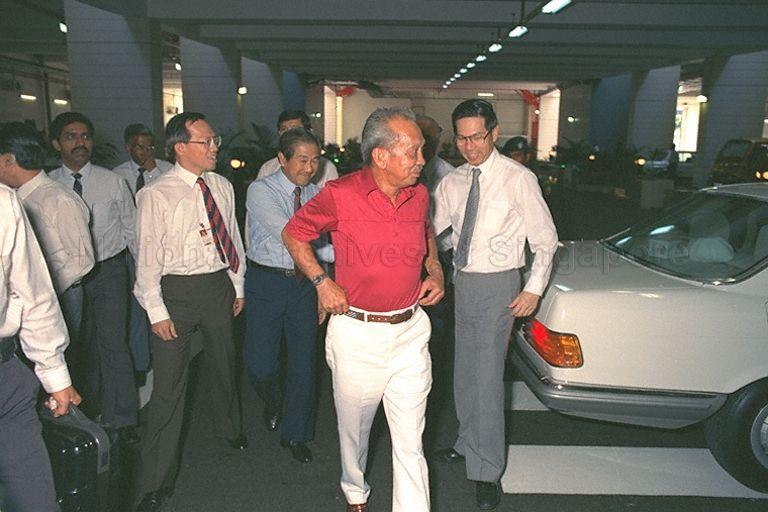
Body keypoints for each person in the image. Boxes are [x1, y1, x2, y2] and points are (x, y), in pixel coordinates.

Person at [283, 106, 445, 512]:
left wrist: (436, 269)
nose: (422, 161)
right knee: (355, 432)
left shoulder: (419, 193)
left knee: (411, 442)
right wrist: (322, 282)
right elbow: (294, 233)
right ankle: (355, 488)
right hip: (357, 334)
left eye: (422, 151)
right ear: (381, 156)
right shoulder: (341, 194)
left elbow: (426, 232)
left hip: (410, 332)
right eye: (413, 152)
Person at [433, 100, 558, 510]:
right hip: (464, 283)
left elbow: (545, 242)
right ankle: (468, 442)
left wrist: (533, 290)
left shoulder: (517, 178)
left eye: (478, 136)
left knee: (487, 379)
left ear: (494, 132)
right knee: (464, 371)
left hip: (500, 286)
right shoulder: (453, 181)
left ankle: (487, 471)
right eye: (462, 137)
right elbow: (435, 231)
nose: (470, 146)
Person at [133, 112, 247, 512]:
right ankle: (156, 479)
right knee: (168, 388)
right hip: (174, 294)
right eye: (207, 142)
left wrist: (237, 285)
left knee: (224, 363)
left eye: (215, 140)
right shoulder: (156, 194)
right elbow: (146, 259)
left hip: (217, 285)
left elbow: (231, 235)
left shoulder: (222, 185)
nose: (215, 147)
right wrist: (156, 311)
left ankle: (230, 428)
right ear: (181, 147)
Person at [244, 127, 333, 464]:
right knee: (260, 364)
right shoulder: (260, 190)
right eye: (302, 160)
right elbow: (292, 234)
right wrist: (323, 277)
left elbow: (328, 245)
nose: (309, 168)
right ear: (282, 159)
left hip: (303, 286)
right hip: (267, 282)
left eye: (315, 161)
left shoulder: (316, 194)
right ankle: (272, 397)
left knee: (304, 362)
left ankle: (296, 433)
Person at [49, 112, 139, 436]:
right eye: (71, 137)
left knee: (113, 344)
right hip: (66, 277)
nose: (80, 143)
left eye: (85, 136)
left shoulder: (112, 181)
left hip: (108, 271)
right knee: (73, 345)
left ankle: (123, 418)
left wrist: (139, 276)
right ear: (56, 143)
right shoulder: (48, 186)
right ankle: (80, 416)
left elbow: (132, 230)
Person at [0, 181, 82, 512]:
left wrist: (55, 374)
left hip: (7, 377)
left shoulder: (3, 201)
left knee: (35, 495)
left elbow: (31, 289)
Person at [0, 122, 94, 383]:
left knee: (64, 362)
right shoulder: (16, 198)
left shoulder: (56, 198)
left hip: (62, 296)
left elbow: (82, 260)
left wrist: (44, 289)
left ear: (9, 160)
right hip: (28, 302)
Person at [112, 123, 172, 385]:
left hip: (164, 247)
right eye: (139, 146)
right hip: (131, 249)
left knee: (163, 302)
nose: (145, 151)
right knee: (138, 305)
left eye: (150, 146)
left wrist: (153, 174)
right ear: (128, 147)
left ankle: (164, 354)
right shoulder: (118, 175)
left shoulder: (167, 172)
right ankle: (140, 361)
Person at [415, 115, 456, 343]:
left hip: (439, 255)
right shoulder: (404, 170)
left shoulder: (449, 175)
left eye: (431, 137)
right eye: (422, 137)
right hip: (408, 255)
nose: (427, 143)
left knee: (436, 322)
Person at [257, 109, 339, 188]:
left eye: (295, 129)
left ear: (309, 132)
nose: (289, 134)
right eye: (284, 129)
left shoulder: (327, 168)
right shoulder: (268, 168)